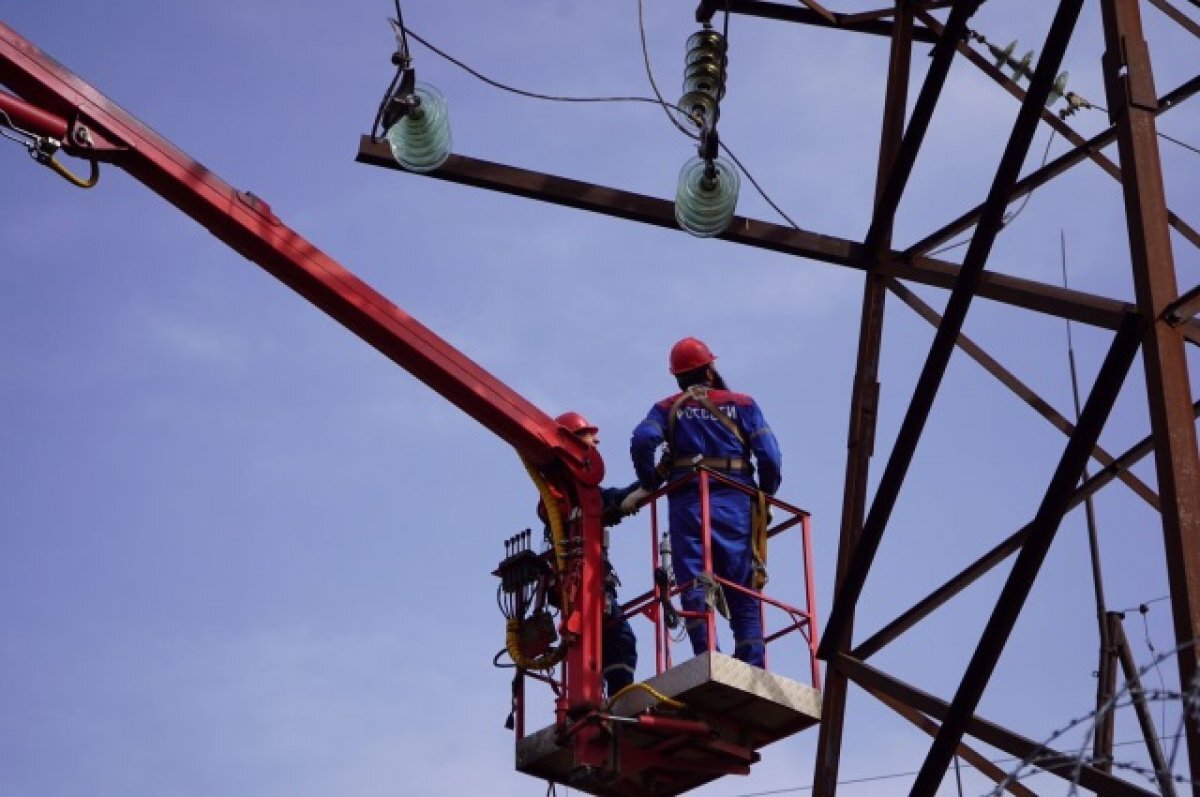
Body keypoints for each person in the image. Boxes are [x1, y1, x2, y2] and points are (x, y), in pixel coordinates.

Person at [628, 337, 782, 668]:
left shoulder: (667, 408)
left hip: (688, 505)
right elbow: (769, 456)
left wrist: (649, 482)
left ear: (677, 377)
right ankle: (752, 661)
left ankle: (707, 655)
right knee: (742, 581)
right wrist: (765, 495)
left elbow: (643, 440)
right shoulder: (742, 404)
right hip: (735, 502)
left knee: (694, 579)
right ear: (710, 370)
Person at [542, 411, 640, 697]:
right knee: (618, 639)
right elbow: (602, 503)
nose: (596, 441)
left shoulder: (574, 493)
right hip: (583, 585)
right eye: (588, 435)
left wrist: (653, 478)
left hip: (585, 583)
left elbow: (612, 499)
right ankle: (619, 699)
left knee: (607, 644)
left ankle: (607, 700)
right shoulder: (561, 494)